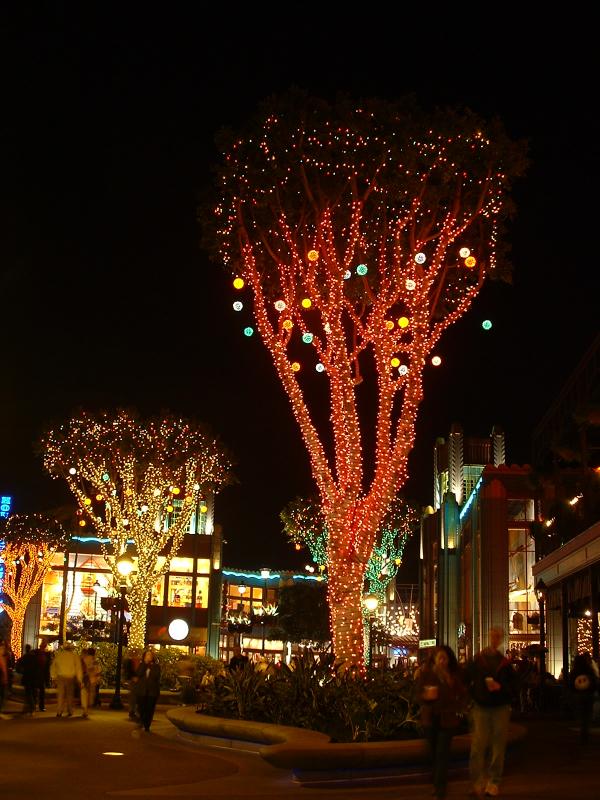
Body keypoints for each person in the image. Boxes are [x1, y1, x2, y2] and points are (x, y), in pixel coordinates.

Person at [467, 627, 516, 797]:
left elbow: (514, 686)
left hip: (500, 707)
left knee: (498, 746)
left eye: (498, 636)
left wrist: (500, 687)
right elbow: (467, 678)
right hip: (481, 706)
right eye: (493, 635)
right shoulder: (478, 660)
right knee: (478, 745)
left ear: (501, 639)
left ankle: (494, 781)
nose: (495, 638)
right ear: (488, 637)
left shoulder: (505, 663)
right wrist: (475, 694)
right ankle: (477, 781)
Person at [417, 645, 468, 799]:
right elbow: (417, 693)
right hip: (431, 719)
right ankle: (436, 783)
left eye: (444, 658)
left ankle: (440, 790)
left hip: (447, 720)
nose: (442, 661)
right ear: (434, 660)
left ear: (448, 660)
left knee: (441, 755)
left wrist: (458, 706)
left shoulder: (452, 676)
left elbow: (463, 694)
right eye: (439, 658)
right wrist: (426, 696)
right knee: (434, 754)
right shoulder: (427, 674)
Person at [570, 652, 597, 744]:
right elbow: (594, 681)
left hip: (578, 694)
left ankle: (583, 729)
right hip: (588, 694)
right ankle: (585, 729)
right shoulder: (589, 670)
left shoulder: (574, 671)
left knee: (581, 713)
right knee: (587, 713)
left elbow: (571, 684)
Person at [51, 641, 83, 717]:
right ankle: (70, 710)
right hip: (70, 677)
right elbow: (78, 668)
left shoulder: (59, 655)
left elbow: (53, 666)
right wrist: (79, 679)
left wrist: (54, 677)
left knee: (60, 695)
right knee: (70, 695)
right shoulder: (74, 656)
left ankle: (59, 711)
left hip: (60, 677)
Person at [135, 649, 161, 732]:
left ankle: (147, 725)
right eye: (147, 655)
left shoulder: (156, 666)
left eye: (150, 655)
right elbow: (138, 674)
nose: (148, 657)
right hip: (142, 690)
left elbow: (156, 676)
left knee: (150, 709)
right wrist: (145, 664)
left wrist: (150, 667)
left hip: (152, 691)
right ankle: (142, 720)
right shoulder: (141, 665)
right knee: (141, 707)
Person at [16, 645, 38, 715]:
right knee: (32, 693)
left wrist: (21, 671)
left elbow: (18, 665)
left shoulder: (25, 657)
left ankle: (31, 708)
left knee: (28, 693)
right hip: (34, 677)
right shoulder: (34, 657)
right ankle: (30, 708)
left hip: (27, 677)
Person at [80, 647, 101, 718]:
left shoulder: (84, 659)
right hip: (93, 679)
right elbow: (98, 670)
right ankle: (88, 706)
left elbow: (81, 669)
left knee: (84, 694)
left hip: (85, 679)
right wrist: (97, 678)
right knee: (91, 694)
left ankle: (85, 710)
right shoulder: (95, 660)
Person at [34, 641, 52, 711]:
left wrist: (47, 679)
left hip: (41, 675)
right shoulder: (36, 653)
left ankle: (40, 706)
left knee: (41, 692)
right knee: (37, 691)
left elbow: (47, 668)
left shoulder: (46, 654)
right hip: (37, 675)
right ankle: (37, 705)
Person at [125, 648, 142, 720]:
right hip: (133, 681)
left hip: (138, 681)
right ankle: (132, 711)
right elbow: (128, 671)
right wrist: (132, 678)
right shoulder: (129, 661)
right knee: (133, 697)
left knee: (136, 696)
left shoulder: (140, 662)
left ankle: (135, 711)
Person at [0, 640, 9, 715]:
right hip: (2, 679)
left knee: (2, 694)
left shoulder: (5, 656)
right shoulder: (2, 656)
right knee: (2, 694)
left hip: (3, 679)